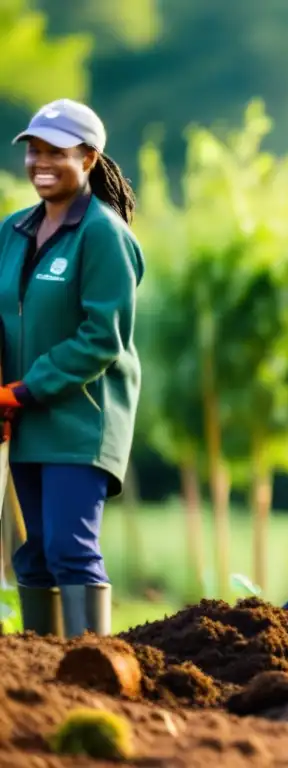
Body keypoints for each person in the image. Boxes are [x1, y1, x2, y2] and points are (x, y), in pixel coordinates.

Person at [0, 98, 145, 638]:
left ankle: (93, 667)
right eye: (34, 150)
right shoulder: (12, 230)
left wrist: (25, 390)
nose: (40, 162)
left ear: (88, 158)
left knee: (69, 548)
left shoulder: (104, 235)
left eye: (55, 152)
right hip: (25, 415)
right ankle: (43, 677)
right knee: (33, 554)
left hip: (82, 419)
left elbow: (100, 337)